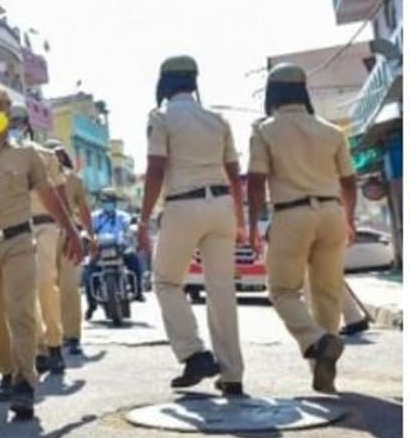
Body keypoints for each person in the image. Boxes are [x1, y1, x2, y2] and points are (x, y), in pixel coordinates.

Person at [0, 82, 82, 419]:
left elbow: (49, 196)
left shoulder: (27, 155)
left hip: (17, 243)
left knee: (22, 311)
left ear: (5, 113)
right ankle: (7, 369)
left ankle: (25, 383)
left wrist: (72, 231)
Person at [136, 56, 246, 396]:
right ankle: (232, 375)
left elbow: (155, 169)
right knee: (221, 290)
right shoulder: (217, 120)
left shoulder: (162, 117)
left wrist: (143, 220)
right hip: (222, 205)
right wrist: (240, 219)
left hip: (183, 205)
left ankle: (193, 353)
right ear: (194, 82)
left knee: (166, 281)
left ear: (164, 83)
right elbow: (234, 175)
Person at [247, 63, 356, 393]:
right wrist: (349, 219)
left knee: (281, 291)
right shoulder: (331, 130)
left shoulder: (265, 130)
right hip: (332, 213)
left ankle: (317, 342)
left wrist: (254, 225)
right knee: (327, 294)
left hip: (292, 214)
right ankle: (323, 369)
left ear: (272, 93)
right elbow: (349, 183)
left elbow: (255, 183)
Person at [7, 104, 73, 376]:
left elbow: (61, 197)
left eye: (18, 121)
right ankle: (38, 347)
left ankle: (55, 345)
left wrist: (72, 230)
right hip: (14, 229)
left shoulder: (46, 156)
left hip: (46, 226)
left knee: (46, 283)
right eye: (9, 120)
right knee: (21, 293)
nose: (13, 125)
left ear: (27, 125)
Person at [48, 141, 94, 355]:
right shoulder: (35, 176)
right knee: (46, 287)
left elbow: (83, 209)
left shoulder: (74, 180)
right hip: (43, 233)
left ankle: (72, 336)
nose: (55, 158)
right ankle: (51, 337)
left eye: (59, 154)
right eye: (50, 154)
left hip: (70, 236)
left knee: (68, 286)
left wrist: (90, 237)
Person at [83, 188, 146, 319]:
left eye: (111, 201)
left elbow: (130, 225)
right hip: (100, 251)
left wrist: (132, 229)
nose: (108, 204)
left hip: (119, 249)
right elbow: (86, 229)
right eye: (105, 201)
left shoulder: (122, 216)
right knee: (88, 273)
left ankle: (138, 290)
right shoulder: (94, 217)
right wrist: (85, 236)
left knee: (134, 260)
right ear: (101, 203)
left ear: (115, 202)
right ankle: (91, 305)